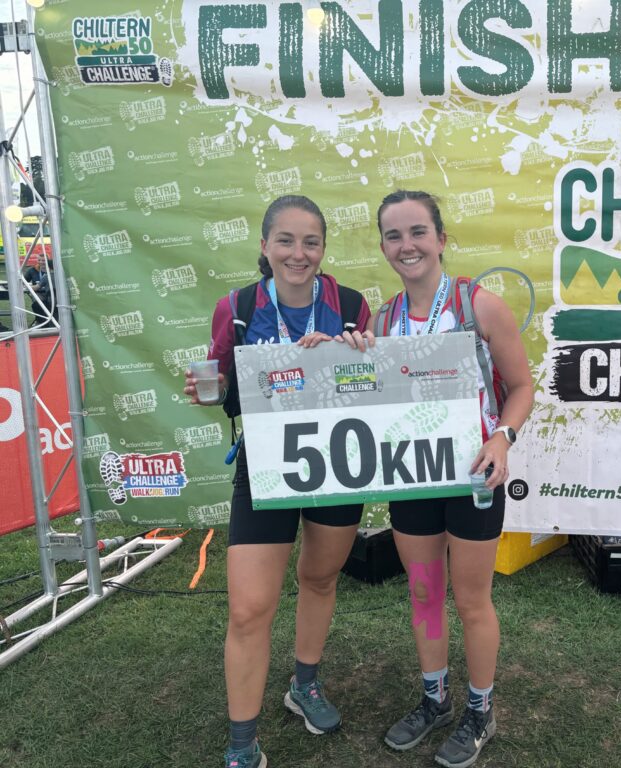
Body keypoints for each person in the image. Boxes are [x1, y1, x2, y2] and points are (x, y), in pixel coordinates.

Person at [183, 195, 374, 768]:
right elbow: (222, 377)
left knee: (318, 578)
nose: (299, 253)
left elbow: (372, 387)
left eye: (310, 241)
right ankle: (243, 746)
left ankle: (305, 685)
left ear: (323, 248)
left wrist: (355, 353)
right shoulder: (238, 306)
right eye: (286, 241)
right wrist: (207, 388)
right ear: (265, 246)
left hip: (337, 465)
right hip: (265, 464)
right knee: (248, 609)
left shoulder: (353, 305)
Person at [375, 190, 534, 768]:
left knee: (470, 599)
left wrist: (502, 437)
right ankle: (435, 698)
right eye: (394, 235)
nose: (406, 245)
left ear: (442, 239)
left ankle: (480, 709)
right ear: (384, 247)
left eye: (418, 231)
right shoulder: (383, 318)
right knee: (423, 593)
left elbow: (521, 388)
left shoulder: (480, 305)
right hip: (412, 475)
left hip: (472, 476)